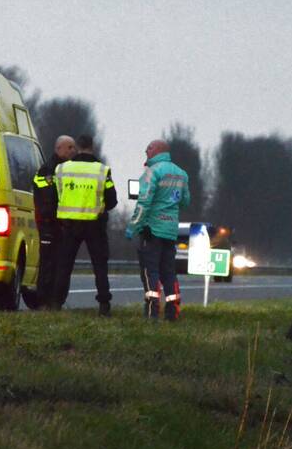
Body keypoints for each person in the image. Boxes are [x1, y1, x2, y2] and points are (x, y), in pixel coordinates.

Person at [51, 134, 117, 315]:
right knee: (99, 266)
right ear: (92, 146)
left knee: (64, 265)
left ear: (77, 147)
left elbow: (58, 195)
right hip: (94, 224)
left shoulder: (62, 169)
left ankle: (56, 303)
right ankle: (104, 305)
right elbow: (112, 201)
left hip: (70, 224)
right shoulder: (102, 170)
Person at [125, 139, 190, 321]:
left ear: (156, 150)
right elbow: (185, 202)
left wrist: (133, 227)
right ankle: (172, 311)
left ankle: (152, 310)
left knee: (149, 270)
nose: (146, 151)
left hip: (151, 230)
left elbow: (144, 203)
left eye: (148, 148)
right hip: (170, 231)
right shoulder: (181, 174)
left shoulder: (152, 172)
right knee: (169, 272)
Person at [32, 135, 76, 308]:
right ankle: (44, 299)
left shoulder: (69, 168)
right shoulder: (48, 170)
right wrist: (51, 218)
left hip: (64, 225)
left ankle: (57, 300)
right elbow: (47, 197)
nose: (73, 151)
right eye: (69, 147)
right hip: (50, 224)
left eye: (74, 147)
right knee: (48, 263)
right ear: (58, 149)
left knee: (62, 264)